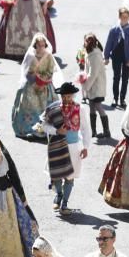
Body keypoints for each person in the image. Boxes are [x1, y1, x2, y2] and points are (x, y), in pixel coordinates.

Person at [40, 82, 91, 214]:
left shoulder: (80, 109)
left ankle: (65, 204)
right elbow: (43, 126)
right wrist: (57, 131)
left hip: (73, 147)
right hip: (56, 146)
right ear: (61, 96)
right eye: (64, 96)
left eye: (69, 96)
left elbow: (86, 129)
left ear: (73, 96)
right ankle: (59, 194)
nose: (67, 99)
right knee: (56, 175)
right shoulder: (53, 109)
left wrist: (86, 147)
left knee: (69, 177)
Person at [11, 33, 60, 139]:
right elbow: (27, 72)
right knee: (29, 107)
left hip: (46, 85)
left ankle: (46, 129)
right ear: (35, 46)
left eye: (43, 45)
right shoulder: (31, 56)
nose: (41, 47)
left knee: (47, 108)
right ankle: (29, 129)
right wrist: (35, 83)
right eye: (39, 45)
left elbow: (50, 71)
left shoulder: (48, 56)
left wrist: (43, 82)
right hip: (32, 86)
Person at [103, 8, 129, 109]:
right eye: (123, 17)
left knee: (125, 78)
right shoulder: (114, 29)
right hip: (116, 55)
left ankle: (122, 99)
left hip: (127, 56)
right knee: (116, 77)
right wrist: (106, 57)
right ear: (119, 17)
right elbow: (109, 43)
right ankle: (115, 98)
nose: (125, 19)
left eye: (127, 17)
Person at [80, 33, 110, 138]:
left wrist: (85, 85)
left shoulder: (95, 55)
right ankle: (93, 131)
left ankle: (107, 131)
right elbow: (87, 70)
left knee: (98, 106)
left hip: (96, 85)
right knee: (92, 106)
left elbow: (93, 74)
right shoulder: (89, 52)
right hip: (92, 85)